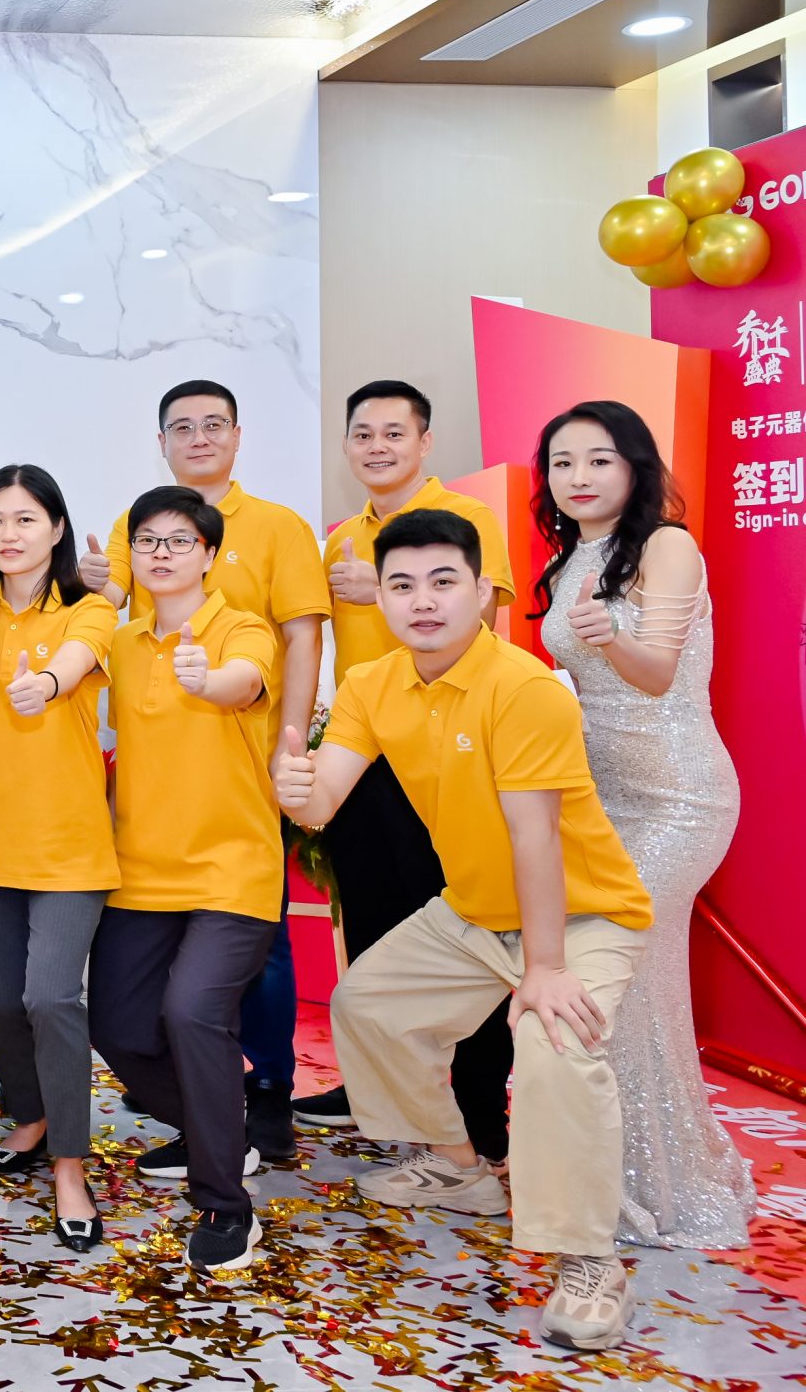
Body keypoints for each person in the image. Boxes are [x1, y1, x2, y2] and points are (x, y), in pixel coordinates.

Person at [277, 505, 655, 1351]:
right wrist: (294, 784)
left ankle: (589, 1261)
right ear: (379, 597)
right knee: (369, 1005)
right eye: (402, 584)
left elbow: (536, 837)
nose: (423, 600)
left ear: (482, 591)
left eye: (443, 581)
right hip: (478, 909)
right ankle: (458, 1166)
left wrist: (545, 968)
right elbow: (323, 800)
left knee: (555, 1046)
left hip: (582, 912)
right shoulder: (373, 684)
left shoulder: (523, 689)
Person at [533, 401, 752, 1250]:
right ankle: (627, 1171)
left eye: (598, 459)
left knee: (615, 978)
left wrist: (607, 640)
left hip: (679, 799)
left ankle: (657, 1183)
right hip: (603, 805)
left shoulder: (666, 545)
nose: (579, 477)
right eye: (562, 463)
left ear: (634, 466)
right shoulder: (567, 560)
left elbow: (657, 673)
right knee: (637, 985)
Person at [87, 380, 325, 1162]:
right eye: (181, 427)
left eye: (212, 424)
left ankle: (270, 1091)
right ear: (161, 441)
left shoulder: (278, 527)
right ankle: (208, 1103)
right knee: (148, 998)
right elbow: (110, 611)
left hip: (243, 770)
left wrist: (290, 741)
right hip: (156, 796)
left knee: (258, 953)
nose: (198, 438)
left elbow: (293, 640)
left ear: (237, 434)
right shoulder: (136, 528)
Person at [295, 380, 516, 1146]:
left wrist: (380, 591)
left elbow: (488, 624)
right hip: (363, 759)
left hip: (451, 755)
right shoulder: (338, 537)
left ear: (425, 442)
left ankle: (479, 1114)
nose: (377, 447)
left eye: (394, 433)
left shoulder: (468, 519)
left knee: (464, 935)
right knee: (371, 930)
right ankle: (377, 1092)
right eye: (363, 434)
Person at [88, 484, 281, 1276]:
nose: (161, 553)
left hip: (232, 868)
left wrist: (208, 680)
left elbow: (244, 681)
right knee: (117, 1027)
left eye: (178, 540)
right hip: (140, 871)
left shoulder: (242, 628)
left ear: (209, 554)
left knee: (193, 1012)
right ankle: (219, 1130)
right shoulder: (123, 643)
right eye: (147, 541)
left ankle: (226, 1204)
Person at [0, 465, 118, 1252]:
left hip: (68, 845)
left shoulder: (91, 610)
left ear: (57, 529)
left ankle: (70, 1164)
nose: (9, 533)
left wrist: (46, 683)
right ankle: (31, 1115)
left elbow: (78, 660)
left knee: (51, 997)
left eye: (26, 519)